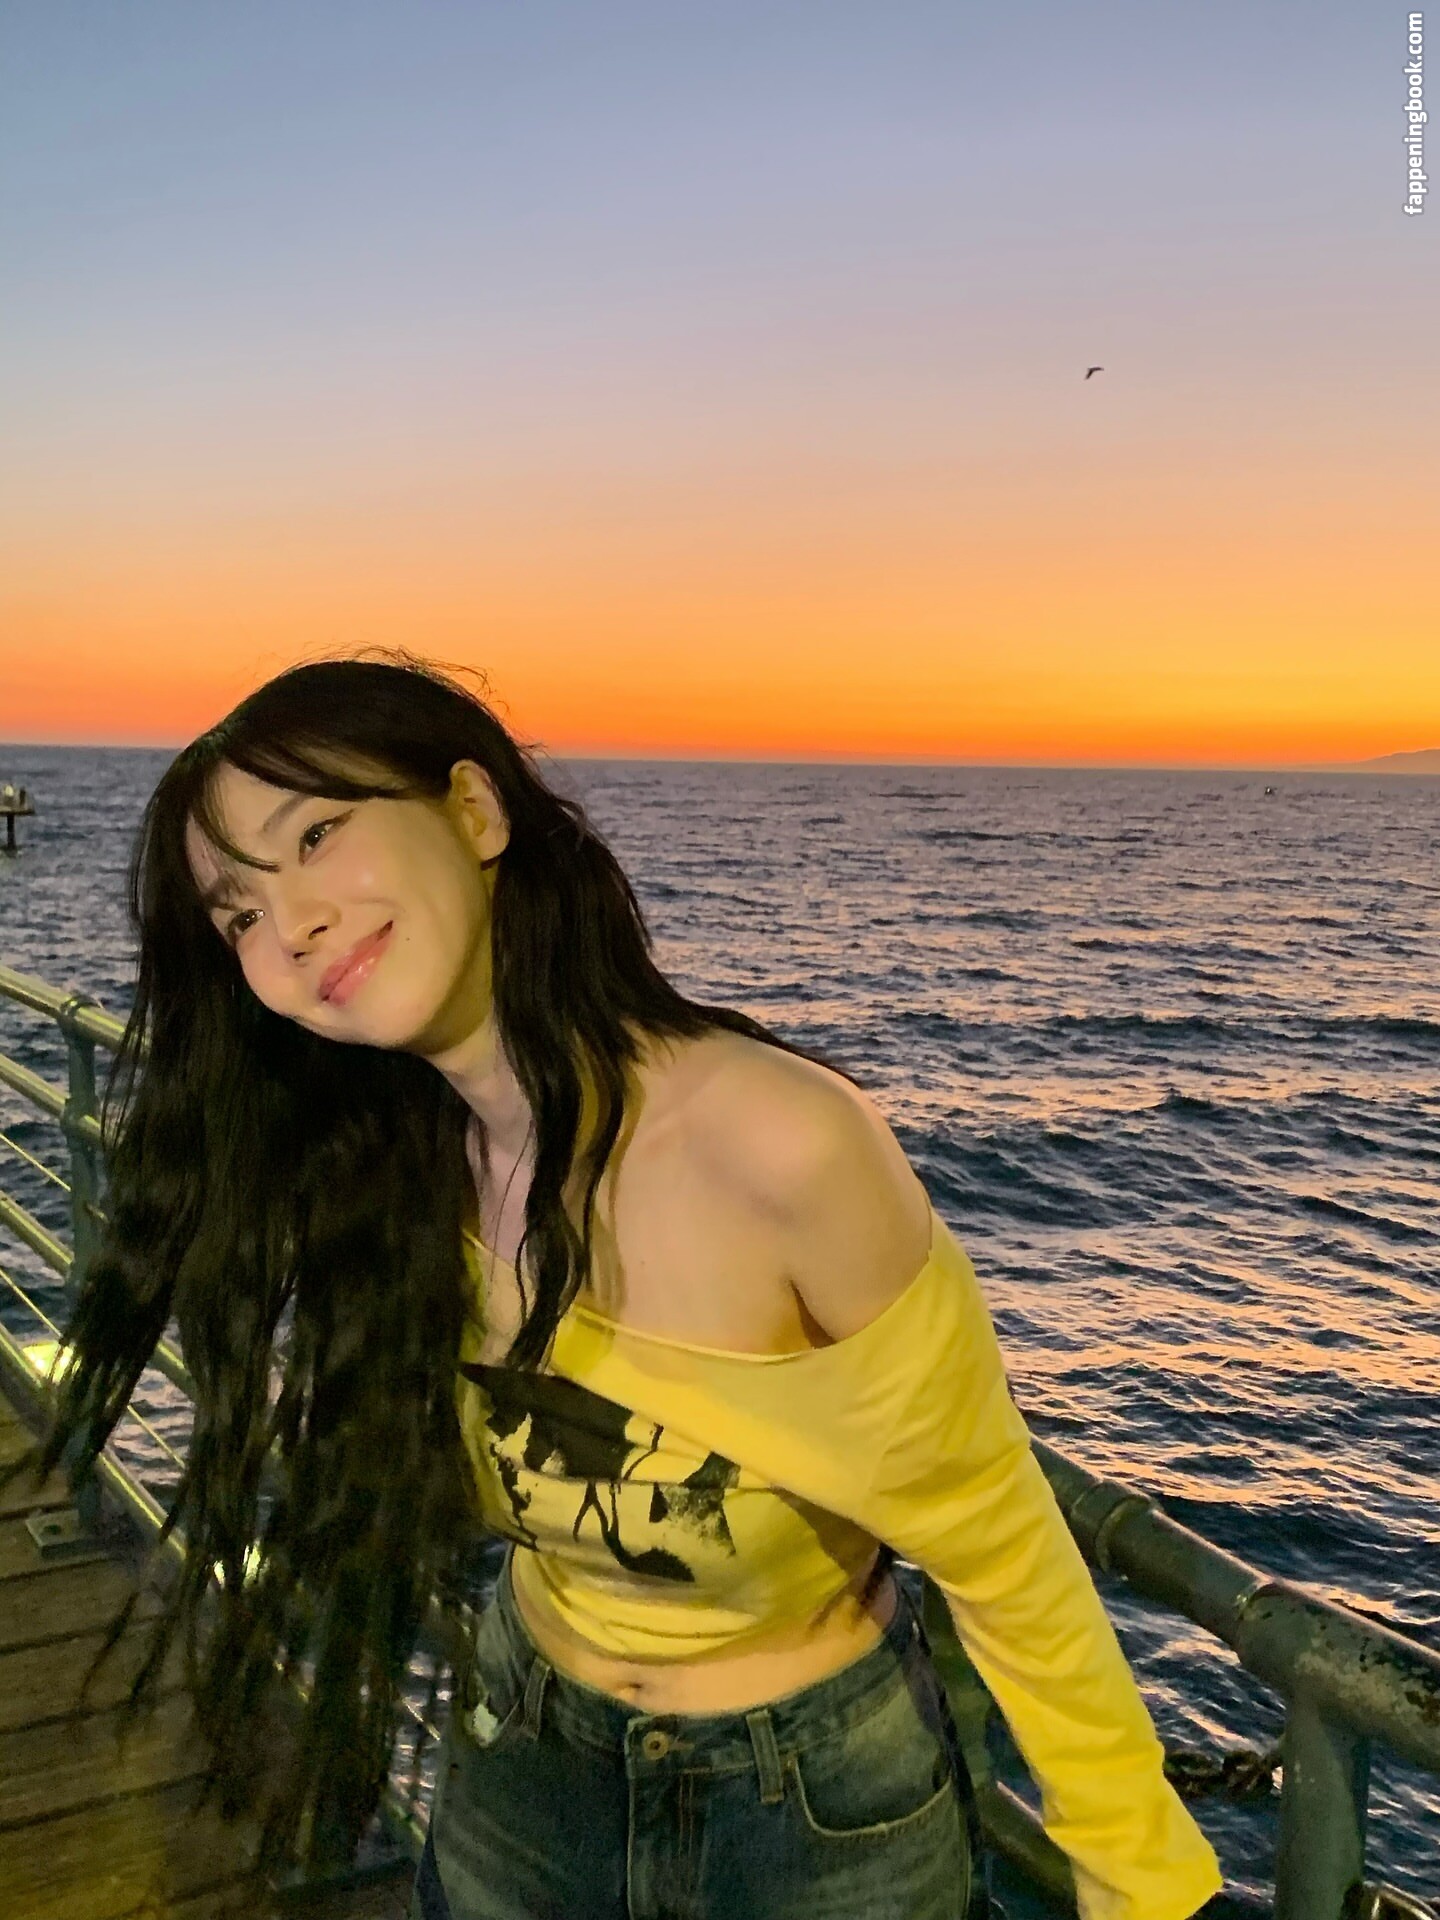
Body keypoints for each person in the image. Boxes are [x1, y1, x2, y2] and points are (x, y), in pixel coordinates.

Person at [29, 654, 1223, 1920]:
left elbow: (1002, 1550)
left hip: (811, 1810)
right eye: (237, 916)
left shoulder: (781, 1146)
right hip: (525, 1762)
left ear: (474, 811)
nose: (292, 923)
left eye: (317, 835)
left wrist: (1142, 1882)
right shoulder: (395, 1174)